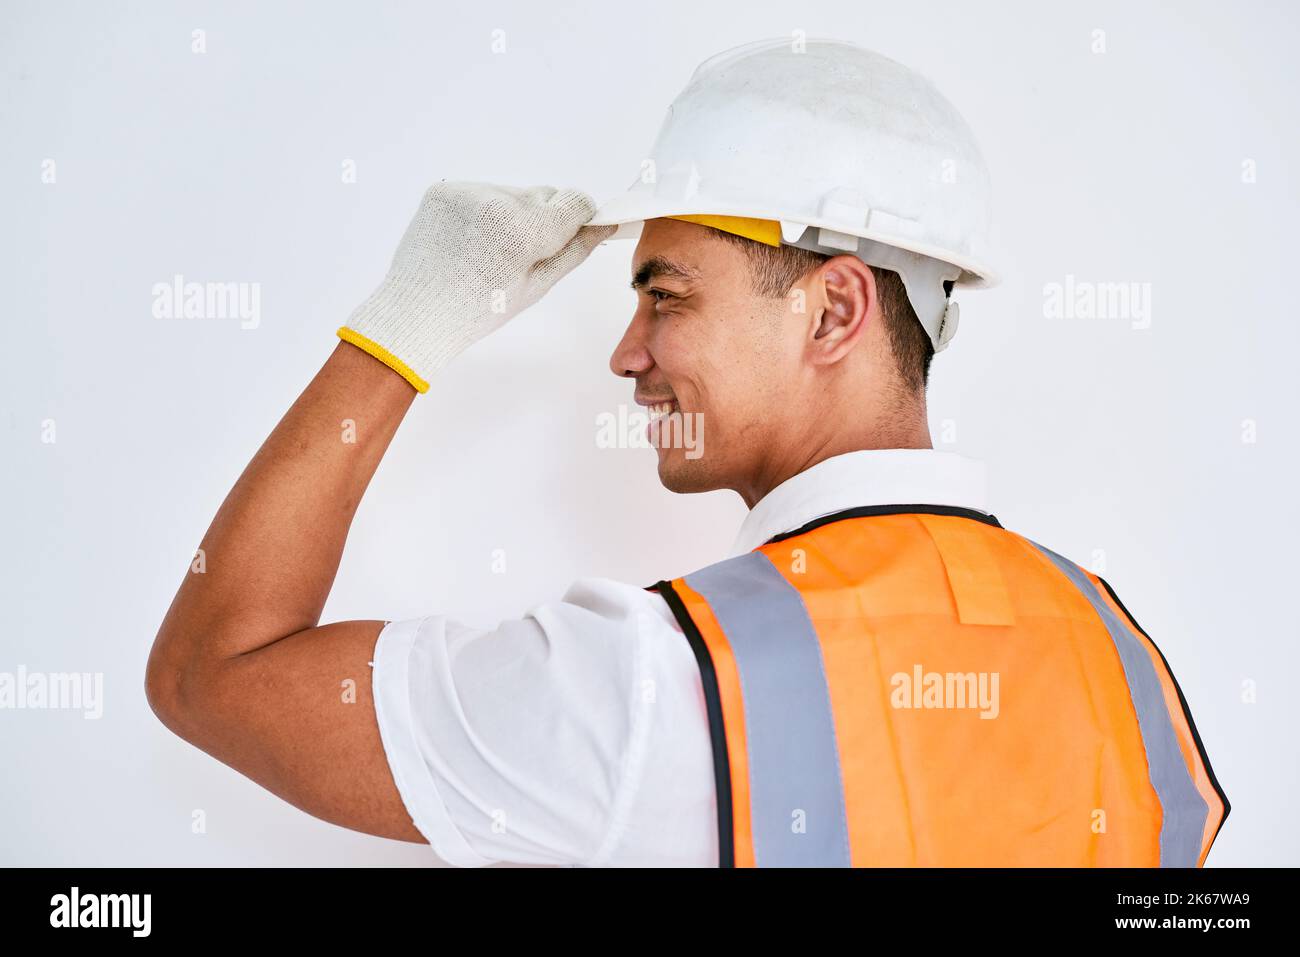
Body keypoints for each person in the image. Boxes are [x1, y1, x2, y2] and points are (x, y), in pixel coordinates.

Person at [145, 39, 1228, 867]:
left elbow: (211, 675)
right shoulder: (1120, 655)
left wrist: (405, 324)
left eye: (664, 295)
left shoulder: (655, 677)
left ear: (833, 310)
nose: (626, 355)